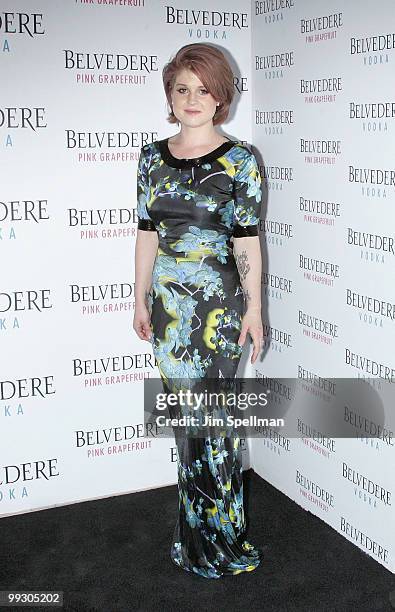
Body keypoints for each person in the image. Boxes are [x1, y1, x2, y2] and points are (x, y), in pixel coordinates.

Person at [133, 43, 264, 579]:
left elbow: (247, 241)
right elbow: (145, 231)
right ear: (170, 94)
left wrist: (255, 310)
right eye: (182, 88)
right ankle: (194, 535)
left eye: (204, 89)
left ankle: (221, 537)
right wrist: (138, 295)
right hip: (167, 309)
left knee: (215, 420)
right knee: (191, 424)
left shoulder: (240, 161)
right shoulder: (150, 156)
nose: (193, 99)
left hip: (219, 306)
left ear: (221, 96)